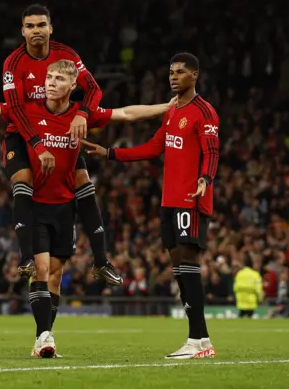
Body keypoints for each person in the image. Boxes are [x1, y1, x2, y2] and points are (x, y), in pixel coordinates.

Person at [0, 60, 170, 357]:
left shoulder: (81, 115)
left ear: (72, 86)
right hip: (36, 207)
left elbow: (128, 113)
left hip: (64, 207)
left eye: (58, 79)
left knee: (55, 275)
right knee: (41, 270)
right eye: (48, 77)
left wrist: (166, 107)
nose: (50, 83)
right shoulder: (28, 111)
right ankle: (45, 335)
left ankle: (43, 335)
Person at [82, 52, 220, 359]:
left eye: (180, 72)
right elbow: (152, 148)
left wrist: (205, 180)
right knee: (178, 267)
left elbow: (211, 151)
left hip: (191, 198)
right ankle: (196, 338)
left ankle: (200, 339)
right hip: (169, 200)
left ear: (194, 75)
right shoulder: (171, 112)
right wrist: (110, 153)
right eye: (171, 72)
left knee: (188, 261)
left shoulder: (204, 111)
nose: (173, 77)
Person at [1, 4, 120, 285]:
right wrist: (37, 144)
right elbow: (15, 109)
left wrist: (82, 113)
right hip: (23, 132)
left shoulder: (67, 55)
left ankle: (101, 261)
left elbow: (94, 89)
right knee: (23, 179)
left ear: (50, 28)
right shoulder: (13, 62)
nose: (36, 31)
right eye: (30, 26)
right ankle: (27, 256)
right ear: (23, 31)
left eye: (41, 25)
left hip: (59, 130)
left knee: (83, 181)